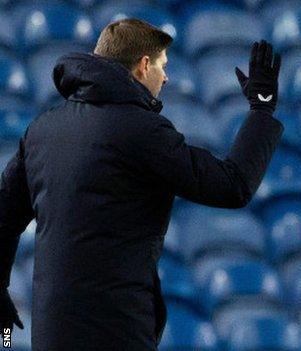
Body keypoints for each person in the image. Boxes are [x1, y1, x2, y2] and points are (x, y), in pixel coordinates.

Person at [0, 18, 283, 350]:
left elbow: (4, 217)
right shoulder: (144, 131)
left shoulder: (41, 131)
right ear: (143, 65)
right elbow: (233, 185)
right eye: (162, 65)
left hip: (52, 333)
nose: (165, 77)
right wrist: (262, 109)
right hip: (118, 331)